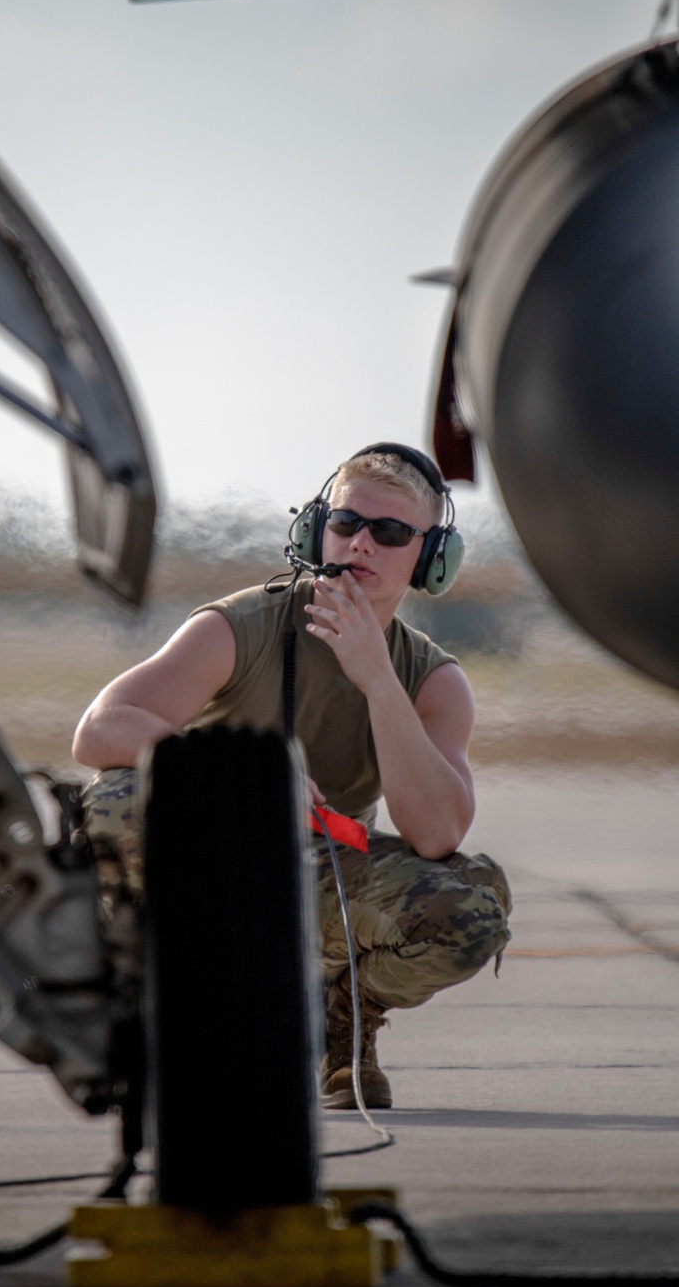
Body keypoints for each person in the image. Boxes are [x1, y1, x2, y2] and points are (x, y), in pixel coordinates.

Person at [72, 444, 511, 1110]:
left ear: (428, 558)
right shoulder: (241, 627)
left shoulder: (433, 680)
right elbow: (101, 728)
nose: (360, 543)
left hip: (321, 869)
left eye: (389, 533)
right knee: (114, 803)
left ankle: (343, 1021)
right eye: (344, 523)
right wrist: (241, 779)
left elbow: (437, 829)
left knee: (471, 913)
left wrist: (376, 677)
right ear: (315, 531)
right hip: (216, 852)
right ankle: (168, 997)